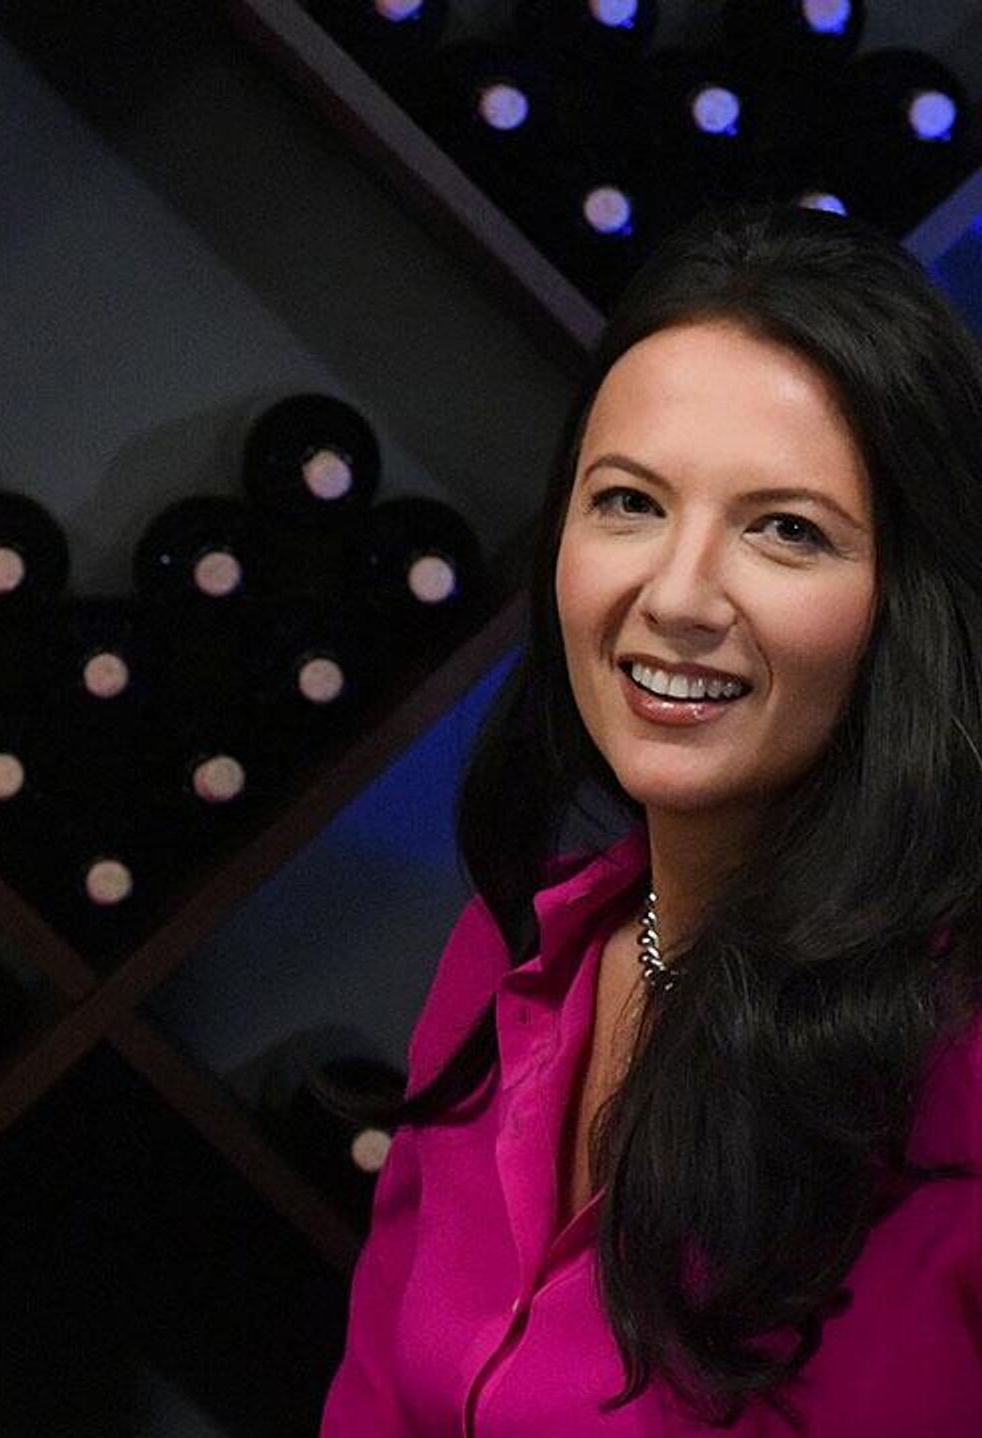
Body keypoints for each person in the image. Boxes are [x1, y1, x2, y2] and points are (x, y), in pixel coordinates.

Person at [322, 205, 982, 1435]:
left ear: (911, 602)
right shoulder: (509, 954)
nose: (676, 595)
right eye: (628, 502)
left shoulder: (960, 1059)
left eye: (787, 530)